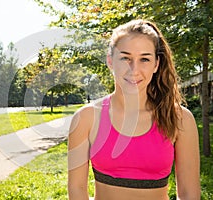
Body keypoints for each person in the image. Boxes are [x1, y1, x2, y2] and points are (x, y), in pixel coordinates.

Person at [67, 19, 200, 200]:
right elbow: (77, 190)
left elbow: (189, 194)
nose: (134, 70)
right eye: (125, 58)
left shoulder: (179, 118)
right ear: (110, 61)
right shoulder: (86, 118)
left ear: (156, 65)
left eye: (144, 59)